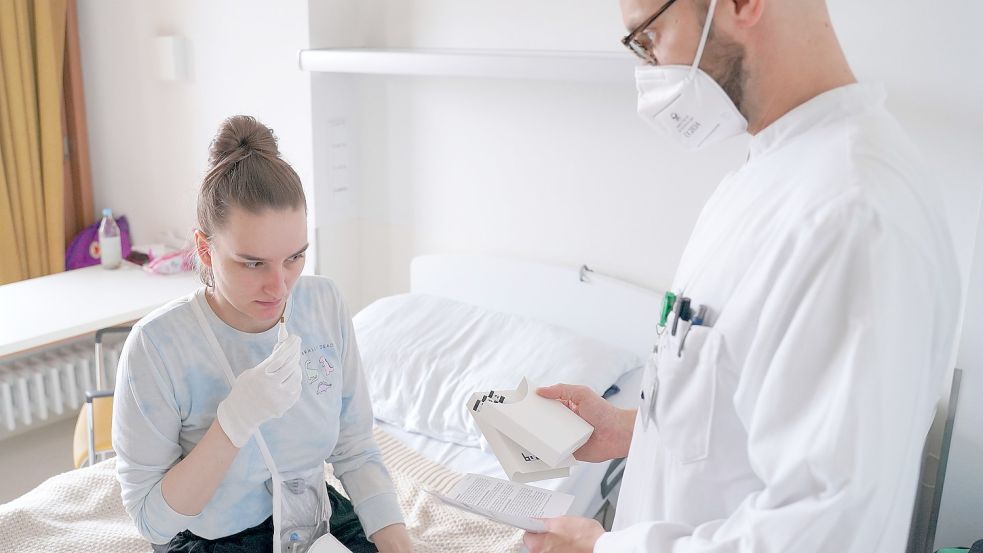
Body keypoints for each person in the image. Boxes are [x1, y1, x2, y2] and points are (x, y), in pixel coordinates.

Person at [524, 0, 960, 551]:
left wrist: (600, 549)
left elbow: (819, 531)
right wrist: (629, 430)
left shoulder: (848, 215)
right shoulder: (769, 173)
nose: (650, 69)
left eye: (649, 35)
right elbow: (744, 417)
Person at [113, 115, 412, 553]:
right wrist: (232, 425)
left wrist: (399, 543)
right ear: (204, 249)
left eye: (294, 257)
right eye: (253, 263)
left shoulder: (323, 304)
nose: (279, 287)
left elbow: (355, 447)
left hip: (314, 518)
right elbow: (152, 522)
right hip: (214, 539)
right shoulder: (157, 346)